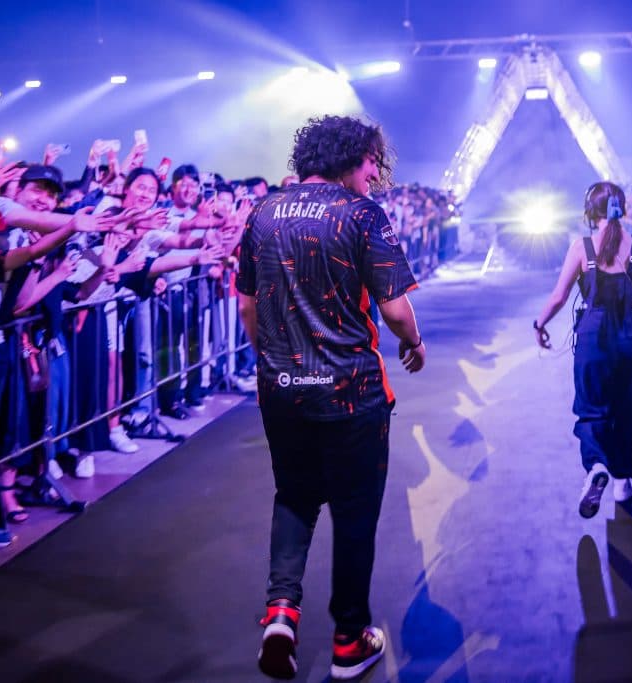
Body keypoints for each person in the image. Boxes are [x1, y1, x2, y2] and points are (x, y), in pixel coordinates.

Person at [237, 115, 425, 681]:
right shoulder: (361, 214)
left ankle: (280, 615)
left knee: (294, 497)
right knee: (354, 511)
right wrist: (413, 341)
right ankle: (349, 639)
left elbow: (247, 305)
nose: (374, 174)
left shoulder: (263, 212)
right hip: (351, 392)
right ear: (352, 156)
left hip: (282, 390)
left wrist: (271, 358)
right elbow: (393, 307)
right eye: (372, 163)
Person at [534, 181, 632, 519]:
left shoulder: (581, 248)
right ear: (624, 208)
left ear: (590, 212)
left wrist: (540, 324)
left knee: (591, 409)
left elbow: (559, 296)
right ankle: (622, 480)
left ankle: (596, 467)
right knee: (629, 410)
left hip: (593, 335)